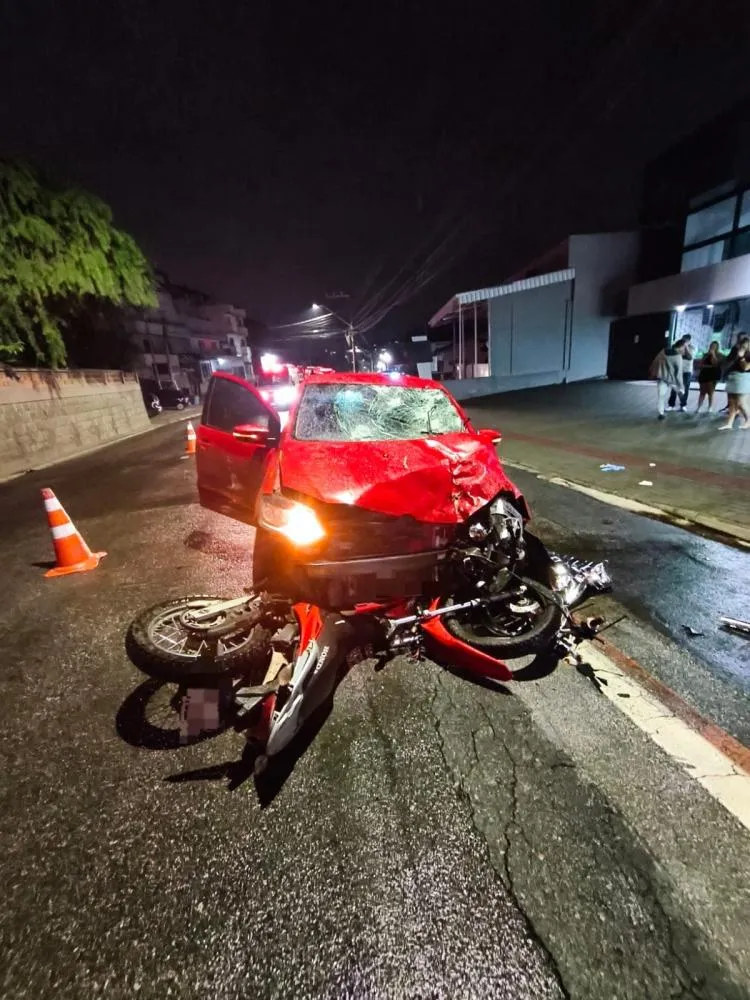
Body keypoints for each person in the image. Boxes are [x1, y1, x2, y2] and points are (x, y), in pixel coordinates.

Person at [719, 340, 750, 430]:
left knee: (741, 403)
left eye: (744, 344)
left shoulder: (748, 355)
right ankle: (729, 423)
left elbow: (745, 367)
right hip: (733, 377)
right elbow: (728, 363)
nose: (742, 346)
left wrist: (741, 357)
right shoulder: (735, 352)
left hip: (743, 379)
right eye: (741, 344)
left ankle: (748, 420)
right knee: (731, 403)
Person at [648, 342, 682, 420]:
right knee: (675, 389)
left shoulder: (663, 352)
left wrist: (652, 371)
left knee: (661, 395)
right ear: (680, 347)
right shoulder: (678, 356)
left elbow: (655, 362)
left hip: (662, 376)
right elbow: (679, 371)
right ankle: (681, 395)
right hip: (671, 378)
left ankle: (661, 413)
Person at [667, 335, 693, 411]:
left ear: (689, 341)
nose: (684, 341)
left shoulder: (692, 347)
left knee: (685, 388)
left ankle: (683, 405)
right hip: (677, 370)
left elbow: (689, 357)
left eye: (686, 341)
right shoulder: (676, 346)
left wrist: (686, 347)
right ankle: (671, 405)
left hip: (687, 371)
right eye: (683, 340)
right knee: (674, 388)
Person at [696, 341, 723, 413]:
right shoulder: (705, 354)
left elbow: (715, 364)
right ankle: (699, 407)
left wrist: (713, 354)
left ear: (717, 347)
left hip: (713, 375)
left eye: (714, 346)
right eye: (712, 346)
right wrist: (709, 365)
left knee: (710, 392)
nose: (712, 347)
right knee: (702, 392)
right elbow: (700, 365)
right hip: (704, 374)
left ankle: (710, 407)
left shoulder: (719, 355)